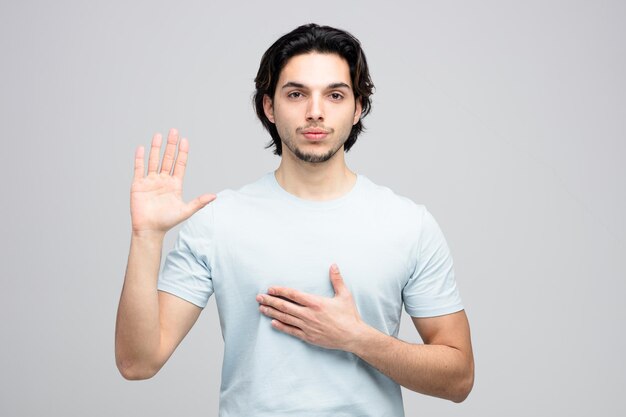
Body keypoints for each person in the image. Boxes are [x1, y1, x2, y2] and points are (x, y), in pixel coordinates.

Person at [115, 23, 474, 416]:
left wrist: (357, 339)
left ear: (357, 108)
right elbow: (138, 363)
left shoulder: (408, 224)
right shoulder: (219, 221)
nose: (315, 112)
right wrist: (146, 236)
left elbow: (458, 379)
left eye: (335, 95)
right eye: (296, 94)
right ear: (269, 106)